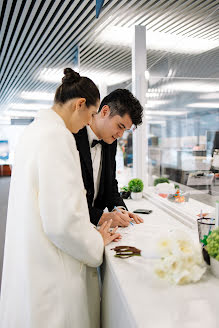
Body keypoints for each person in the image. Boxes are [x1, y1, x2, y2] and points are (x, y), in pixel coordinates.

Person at [0, 68, 120, 328]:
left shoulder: (32, 133)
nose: (89, 123)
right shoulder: (58, 137)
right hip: (53, 272)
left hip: (32, 258)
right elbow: (62, 222)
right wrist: (95, 241)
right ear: (79, 105)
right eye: (90, 115)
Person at [74, 88, 144, 227]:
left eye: (125, 130)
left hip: (96, 229)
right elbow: (63, 198)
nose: (120, 134)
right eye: (120, 126)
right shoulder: (72, 136)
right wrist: (100, 217)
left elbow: (110, 183)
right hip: (71, 227)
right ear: (105, 111)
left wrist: (119, 209)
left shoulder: (110, 142)